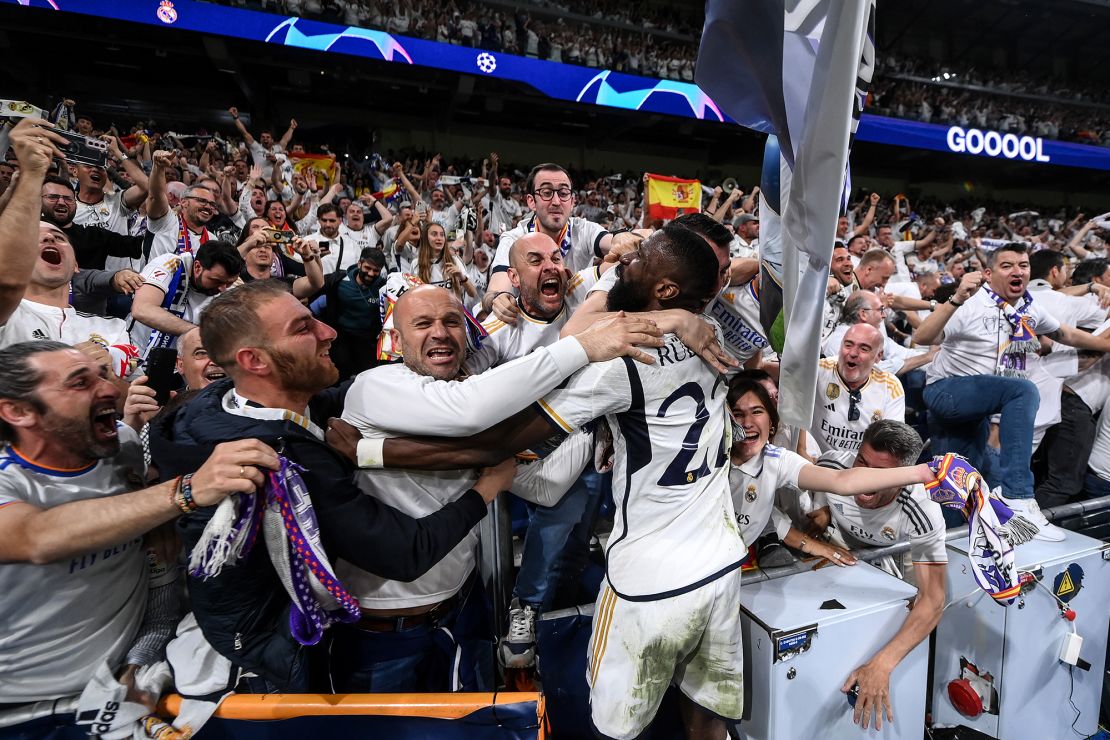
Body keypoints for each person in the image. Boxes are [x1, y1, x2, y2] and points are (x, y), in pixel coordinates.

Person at [146, 280, 517, 690]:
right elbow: (406, 553)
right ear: (254, 360)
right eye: (303, 328)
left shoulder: (238, 403)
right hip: (348, 643)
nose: (330, 331)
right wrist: (487, 487)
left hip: (456, 605)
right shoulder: (273, 460)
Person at [331, 282, 665, 692]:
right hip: (385, 631)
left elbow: (544, 487)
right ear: (396, 341)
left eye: (452, 322)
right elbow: (469, 413)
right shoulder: (376, 385)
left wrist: (593, 423)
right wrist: (583, 347)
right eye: (423, 324)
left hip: (464, 607)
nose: (440, 332)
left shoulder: (475, 401)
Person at [0, 340, 277, 714]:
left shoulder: (123, 446)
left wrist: (138, 662)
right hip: (17, 708)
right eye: (80, 383)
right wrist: (183, 493)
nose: (112, 390)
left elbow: (153, 576)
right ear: (17, 411)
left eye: (103, 376)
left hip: (112, 693)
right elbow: (35, 537)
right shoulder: (9, 482)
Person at [915, 243, 1110, 539]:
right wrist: (955, 299)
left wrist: (1106, 345)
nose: (1017, 270)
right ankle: (1018, 496)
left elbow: (1065, 334)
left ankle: (962, 547)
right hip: (947, 392)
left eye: (1023, 265)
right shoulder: (971, 302)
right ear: (988, 274)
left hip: (977, 407)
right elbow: (922, 336)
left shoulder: (1029, 307)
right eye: (1007, 266)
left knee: (961, 483)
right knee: (1023, 391)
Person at [804, 420, 947, 732]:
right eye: (862, 463)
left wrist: (883, 664)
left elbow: (935, 601)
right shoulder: (832, 467)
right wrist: (824, 514)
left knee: (907, 630)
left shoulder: (921, 509)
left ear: (902, 476)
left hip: (898, 562)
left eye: (881, 474)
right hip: (841, 558)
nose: (865, 479)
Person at [482, 162, 642, 323]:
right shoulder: (514, 239)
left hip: (575, 326)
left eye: (564, 193)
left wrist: (622, 239)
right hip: (529, 330)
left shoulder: (583, 230)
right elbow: (494, 291)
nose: (557, 201)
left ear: (572, 201)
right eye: (546, 192)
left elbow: (611, 240)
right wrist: (499, 299)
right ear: (531, 201)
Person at [129, 240, 244, 353]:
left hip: (187, 360)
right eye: (216, 281)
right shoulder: (170, 263)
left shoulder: (234, 286)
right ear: (198, 267)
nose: (223, 289)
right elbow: (142, 309)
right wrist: (200, 333)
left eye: (228, 283)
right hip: (137, 351)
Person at [811, 324, 905, 453]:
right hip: (817, 464)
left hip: (861, 469)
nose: (853, 353)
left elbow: (891, 442)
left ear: (878, 356)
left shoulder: (890, 386)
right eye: (848, 345)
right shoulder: (819, 371)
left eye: (864, 348)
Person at [319, 246, 388, 379]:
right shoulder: (338, 281)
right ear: (359, 264)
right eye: (367, 268)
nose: (371, 274)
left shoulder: (384, 287)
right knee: (340, 373)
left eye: (376, 270)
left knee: (368, 376)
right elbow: (314, 291)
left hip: (367, 339)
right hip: (341, 337)